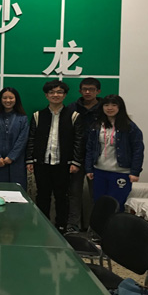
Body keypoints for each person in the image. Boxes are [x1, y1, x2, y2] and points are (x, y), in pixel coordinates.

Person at [26, 80, 84, 233]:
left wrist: (76, 162)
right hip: (41, 163)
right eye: (51, 92)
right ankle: (41, 225)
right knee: (42, 195)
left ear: (65, 95)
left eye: (59, 92)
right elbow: (31, 138)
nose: (55, 95)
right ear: (46, 95)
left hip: (64, 164)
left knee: (62, 196)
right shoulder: (38, 115)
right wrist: (30, 159)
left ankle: (61, 227)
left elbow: (79, 140)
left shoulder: (74, 116)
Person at [85, 94, 144, 211]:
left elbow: (138, 150)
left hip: (121, 172)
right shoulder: (97, 126)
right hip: (99, 171)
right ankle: (101, 224)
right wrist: (89, 168)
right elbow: (90, 148)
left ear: (120, 107)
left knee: (116, 205)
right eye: (106, 105)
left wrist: (135, 172)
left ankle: (115, 224)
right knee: (99, 204)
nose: (109, 108)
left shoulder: (130, 127)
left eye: (113, 105)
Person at [66, 77, 102, 232]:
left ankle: (95, 228)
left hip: (98, 157)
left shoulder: (104, 108)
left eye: (91, 89)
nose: (88, 92)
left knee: (97, 194)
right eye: (85, 89)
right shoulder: (72, 108)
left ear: (98, 91)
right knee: (74, 193)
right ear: (80, 91)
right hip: (77, 156)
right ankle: (73, 226)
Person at [0, 87, 29, 187]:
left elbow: (22, 140)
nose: (8, 100)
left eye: (11, 98)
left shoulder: (22, 118)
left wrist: (11, 157)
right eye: (4, 98)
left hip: (16, 163)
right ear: (0, 99)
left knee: (17, 191)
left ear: (16, 99)